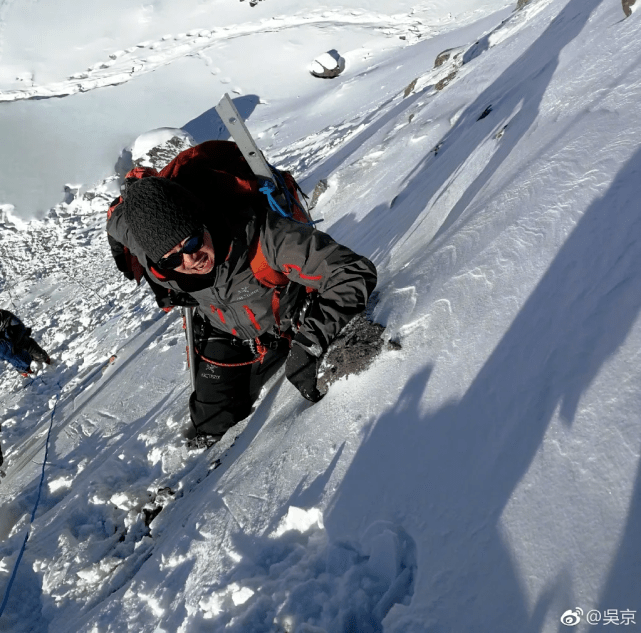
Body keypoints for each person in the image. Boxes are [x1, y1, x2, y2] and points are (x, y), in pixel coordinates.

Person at [107, 140, 377, 446]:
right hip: (223, 326)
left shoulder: (265, 237)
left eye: (193, 241)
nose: (190, 259)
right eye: (172, 258)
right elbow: (117, 217)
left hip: (290, 317)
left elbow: (351, 272)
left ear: (203, 219)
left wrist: (312, 342)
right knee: (210, 421)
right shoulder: (154, 254)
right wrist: (121, 251)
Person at [0, 309, 51, 377]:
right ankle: (24, 370)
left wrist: (16, 342)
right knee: (17, 361)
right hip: (11, 354)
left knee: (44, 358)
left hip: (20, 341)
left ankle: (43, 359)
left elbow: (20, 327)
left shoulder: (5, 316)